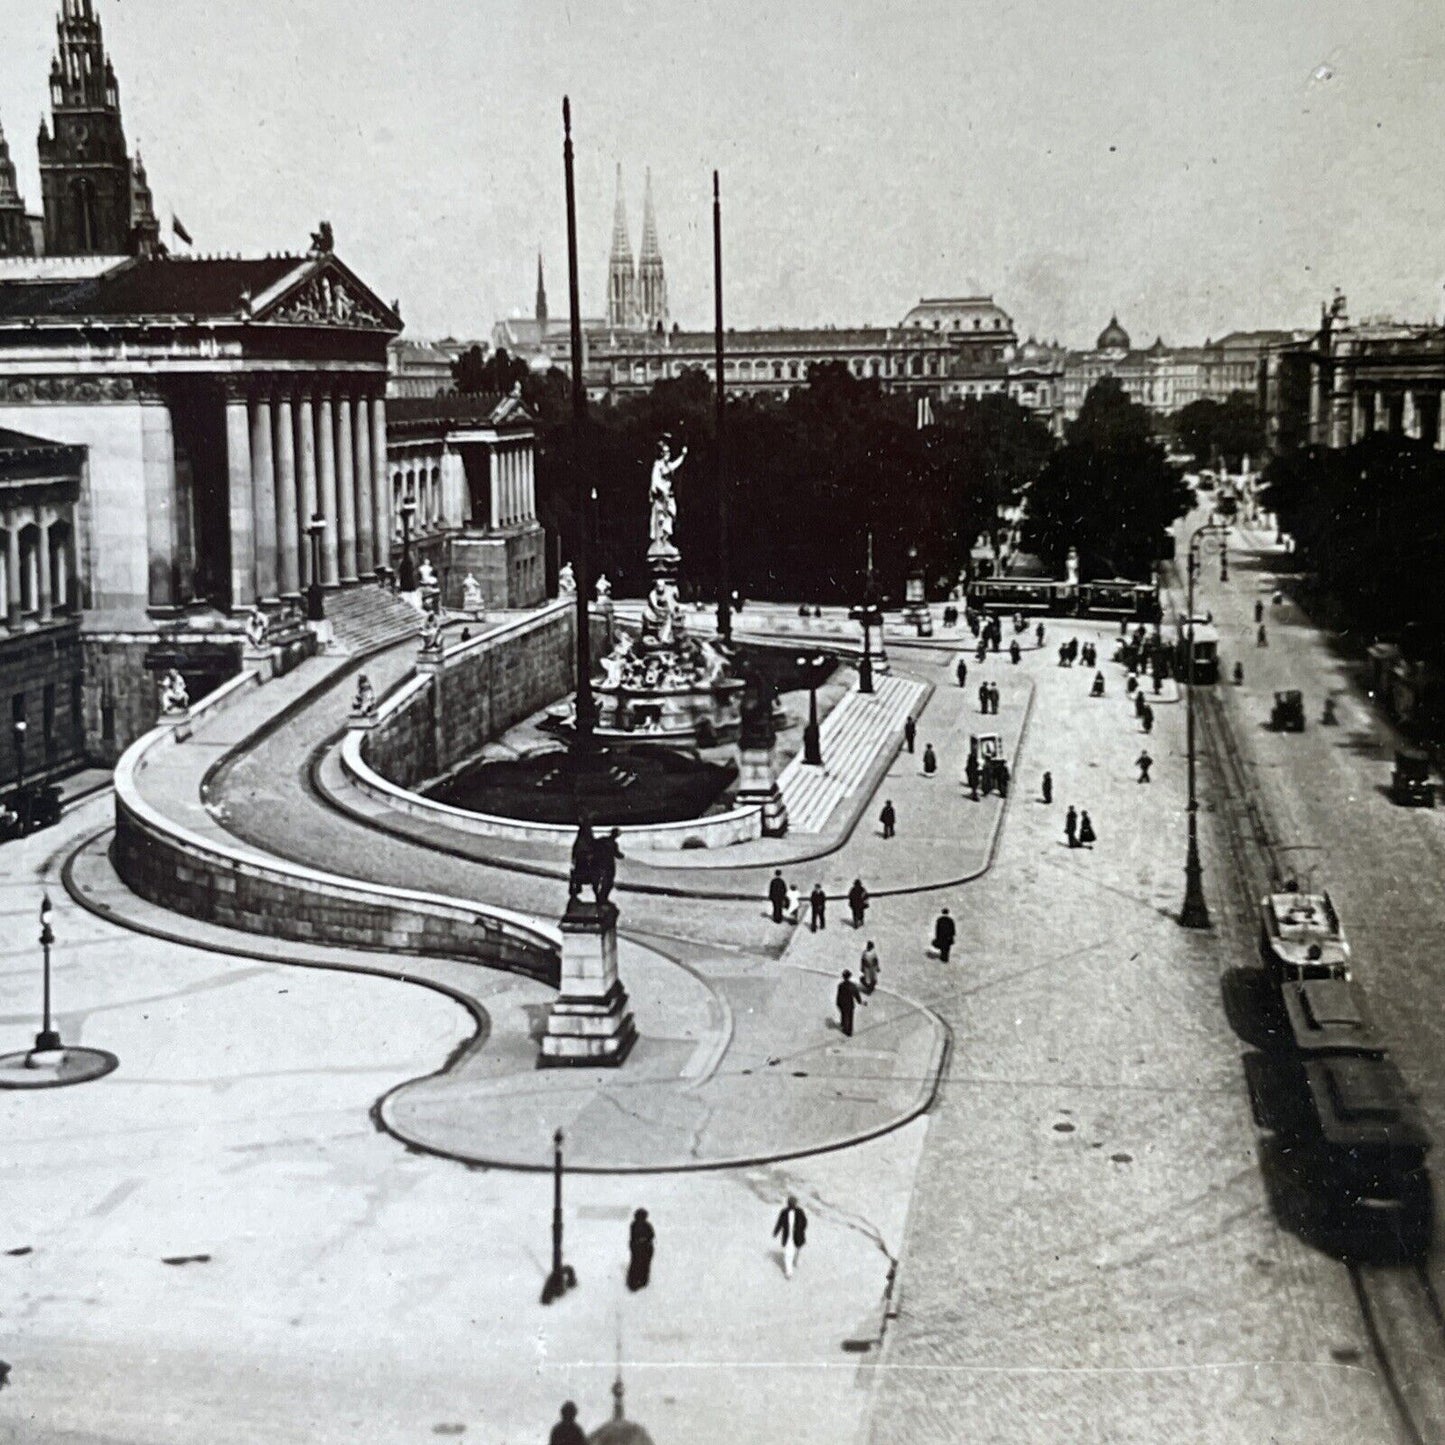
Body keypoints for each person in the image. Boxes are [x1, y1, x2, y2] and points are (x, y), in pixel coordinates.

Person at [773, 1195, 808, 1279]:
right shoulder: (784, 1212)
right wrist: (776, 1232)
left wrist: (801, 1230)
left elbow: (805, 1222)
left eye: (793, 1203)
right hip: (788, 1236)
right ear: (788, 1203)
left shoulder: (800, 1212)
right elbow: (780, 1223)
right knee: (788, 1254)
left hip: (798, 1236)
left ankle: (797, 1260)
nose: (791, 1204)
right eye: (790, 1203)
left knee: (798, 1250)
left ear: (795, 1204)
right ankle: (789, 1272)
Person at [627, 1208, 655, 1291]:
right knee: (640, 1264)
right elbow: (651, 1235)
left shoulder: (634, 1225)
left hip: (641, 1248)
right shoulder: (644, 1225)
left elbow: (651, 1236)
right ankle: (639, 1281)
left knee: (638, 1264)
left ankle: (637, 1281)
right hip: (642, 1248)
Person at [835, 969, 865, 1036]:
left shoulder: (841, 985)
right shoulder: (853, 985)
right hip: (850, 1004)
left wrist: (837, 1003)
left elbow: (839, 995)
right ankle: (849, 1031)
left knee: (844, 1014)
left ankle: (844, 1026)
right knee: (850, 1017)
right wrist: (859, 1001)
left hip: (843, 1003)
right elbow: (856, 994)